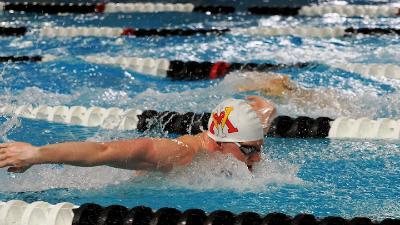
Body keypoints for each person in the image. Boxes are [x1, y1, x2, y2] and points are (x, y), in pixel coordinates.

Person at [0, 96, 276, 173]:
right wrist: (36, 154)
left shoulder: (236, 142)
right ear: (217, 144)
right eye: (250, 150)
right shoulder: (180, 153)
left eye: (259, 148)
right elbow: (103, 152)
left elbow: (254, 127)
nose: (258, 158)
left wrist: (265, 109)